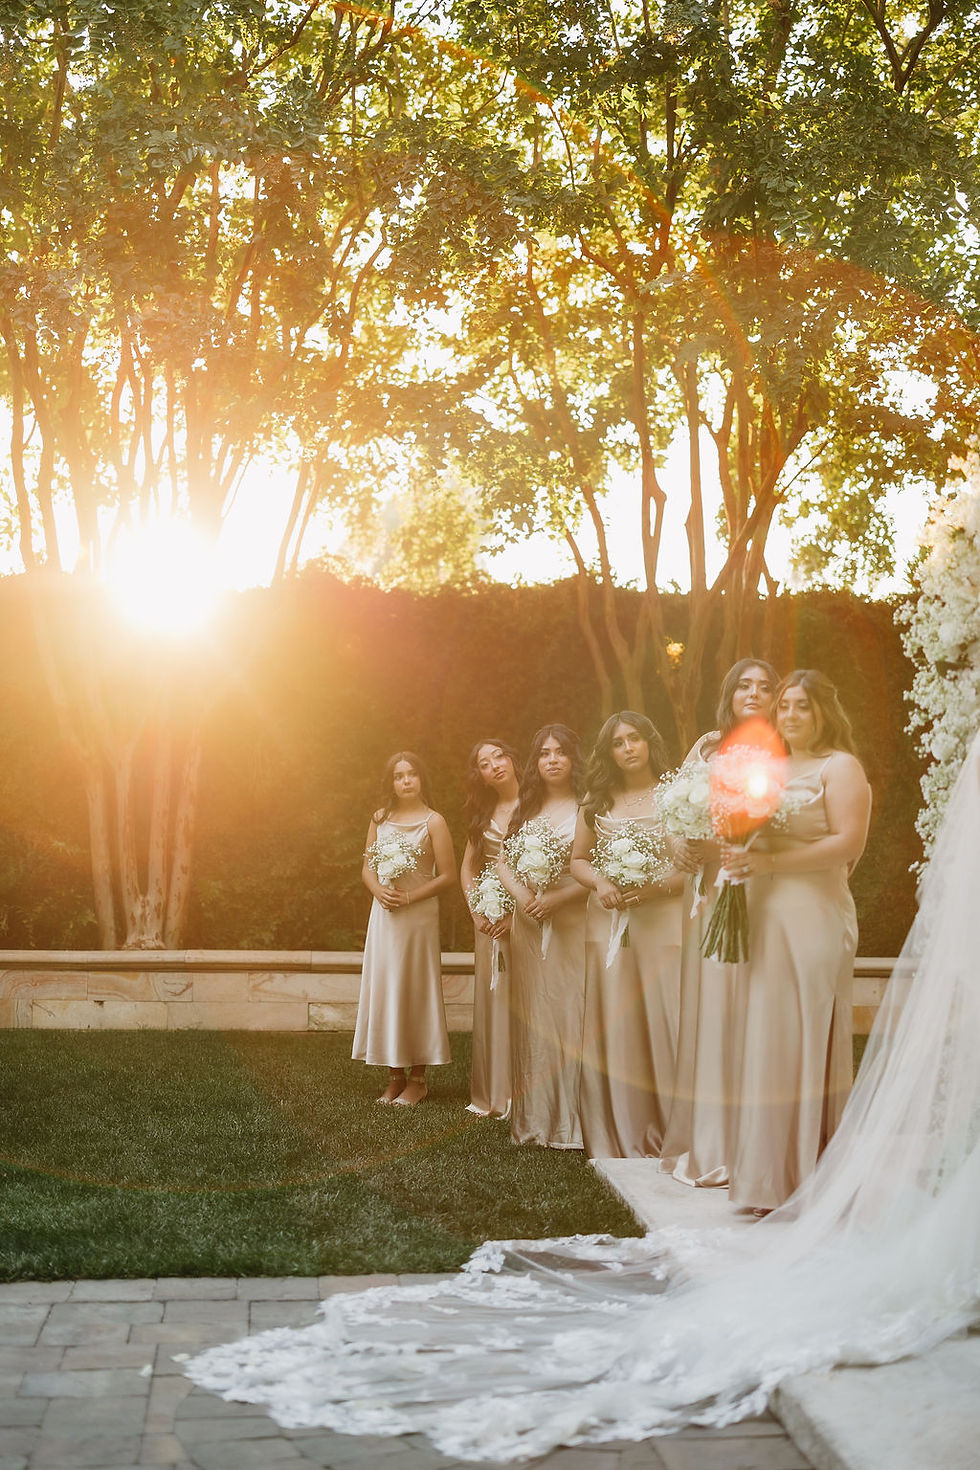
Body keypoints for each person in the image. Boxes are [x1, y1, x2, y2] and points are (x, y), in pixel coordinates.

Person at [189, 725, 980, 1463]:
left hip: (639, 919)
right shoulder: (549, 809)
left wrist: (613, 888)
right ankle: (575, 1115)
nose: (547, 760)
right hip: (574, 918)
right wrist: (537, 888)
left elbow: (667, 854)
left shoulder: (675, 798)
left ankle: (666, 1127)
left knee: (655, 1027)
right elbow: (543, 853)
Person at [722, 669, 872, 1211]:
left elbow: (847, 843)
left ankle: (813, 1174)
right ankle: (765, 1179)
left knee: (807, 1031)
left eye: (801, 706)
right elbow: (737, 828)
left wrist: (770, 860)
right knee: (766, 1035)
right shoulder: (765, 769)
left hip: (816, 912)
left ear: (823, 711)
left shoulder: (842, 767)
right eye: (783, 706)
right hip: (764, 912)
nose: (789, 715)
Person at [661, 658, 779, 1187]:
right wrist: (680, 844)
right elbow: (674, 811)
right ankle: (709, 1141)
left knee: (755, 1007)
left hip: (764, 890)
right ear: (729, 694)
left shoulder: (787, 746)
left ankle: (757, 1143)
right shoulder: (708, 747)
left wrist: (732, 844)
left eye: (765, 687)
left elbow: (788, 822)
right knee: (711, 1009)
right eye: (744, 686)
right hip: (709, 895)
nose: (753, 694)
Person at [570, 711, 683, 1158]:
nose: (628, 748)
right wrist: (602, 882)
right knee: (617, 1024)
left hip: (666, 921)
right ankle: (620, 1130)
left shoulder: (675, 795)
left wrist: (652, 888)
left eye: (635, 738)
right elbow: (579, 860)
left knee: (668, 1020)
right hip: (609, 922)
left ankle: (679, 1130)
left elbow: (691, 867)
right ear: (609, 753)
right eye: (618, 743)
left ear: (650, 741)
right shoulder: (596, 800)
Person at [498, 724, 588, 1149]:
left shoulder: (588, 806)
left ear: (573, 759)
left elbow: (596, 868)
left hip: (572, 923)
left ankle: (573, 1122)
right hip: (529, 927)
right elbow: (503, 863)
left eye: (561, 752)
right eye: (545, 753)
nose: (553, 759)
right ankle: (534, 1120)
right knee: (534, 1016)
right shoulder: (525, 808)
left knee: (571, 1013)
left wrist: (558, 900)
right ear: (535, 763)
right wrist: (523, 898)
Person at [353, 751, 456, 1106]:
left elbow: (448, 875)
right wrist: (377, 889)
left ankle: (418, 1079)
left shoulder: (434, 822)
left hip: (418, 915)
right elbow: (367, 867)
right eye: (399, 776)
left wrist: (410, 896)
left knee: (415, 986)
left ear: (422, 778)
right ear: (391, 783)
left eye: (412, 773)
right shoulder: (379, 819)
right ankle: (394, 1076)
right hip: (384, 914)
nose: (406, 780)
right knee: (387, 985)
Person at [459, 738, 521, 1118]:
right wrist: (476, 911)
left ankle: (523, 1092)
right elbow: (467, 867)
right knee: (494, 997)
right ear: (479, 776)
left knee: (525, 999)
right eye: (484, 762)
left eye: (499, 755)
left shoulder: (535, 803)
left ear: (513, 758)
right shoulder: (482, 813)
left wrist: (518, 914)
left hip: (527, 913)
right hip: (488, 916)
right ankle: (492, 1091)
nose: (495, 765)